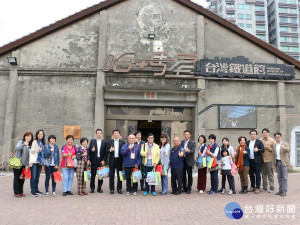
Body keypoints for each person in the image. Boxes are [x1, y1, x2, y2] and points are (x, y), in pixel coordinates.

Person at [13, 132, 33, 198]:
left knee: (22, 179)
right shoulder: (21, 141)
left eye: (29, 136)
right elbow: (17, 148)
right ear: (24, 137)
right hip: (18, 163)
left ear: (31, 138)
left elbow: (28, 156)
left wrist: (27, 164)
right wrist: (24, 144)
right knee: (16, 178)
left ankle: (21, 192)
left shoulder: (30, 145)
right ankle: (16, 192)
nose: (28, 138)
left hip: (24, 165)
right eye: (27, 136)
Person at [106, 129, 125, 194]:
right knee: (111, 175)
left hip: (119, 160)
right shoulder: (109, 142)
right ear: (113, 135)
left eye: (117, 133)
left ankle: (119, 189)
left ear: (119, 135)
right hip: (112, 160)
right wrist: (110, 150)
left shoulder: (122, 142)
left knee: (120, 175)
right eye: (115, 133)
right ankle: (112, 189)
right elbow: (106, 150)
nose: (116, 134)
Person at [88, 129, 107, 193]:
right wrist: (91, 150)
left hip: (101, 161)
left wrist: (104, 160)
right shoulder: (92, 141)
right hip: (94, 160)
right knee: (93, 175)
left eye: (100, 133)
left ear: (102, 134)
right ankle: (92, 188)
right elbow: (89, 150)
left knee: (101, 175)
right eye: (98, 133)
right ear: (96, 134)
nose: (99, 134)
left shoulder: (104, 142)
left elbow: (105, 152)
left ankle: (99, 188)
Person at [246, 129, 265, 194]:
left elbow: (263, 150)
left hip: (257, 161)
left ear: (256, 135)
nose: (253, 135)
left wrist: (258, 150)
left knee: (257, 174)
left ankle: (258, 187)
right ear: (250, 135)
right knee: (251, 174)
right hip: (250, 161)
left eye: (254, 134)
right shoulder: (248, 142)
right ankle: (252, 186)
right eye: (252, 134)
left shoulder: (259, 142)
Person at [272, 132, 290, 197]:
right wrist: (273, 164)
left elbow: (288, 150)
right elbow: (273, 155)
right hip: (277, 162)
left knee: (284, 177)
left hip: (284, 162)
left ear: (281, 137)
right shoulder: (274, 145)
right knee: (279, 177)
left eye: (278, 137)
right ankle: (280, 190)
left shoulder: (285, 143)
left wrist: (284, 148)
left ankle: (284, 191)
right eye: (276, 137)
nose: (277, 138)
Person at [29, 130, 45, 196]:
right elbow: (31, 150)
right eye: (39, 134)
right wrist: (37, 150)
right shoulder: (35, 141)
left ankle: (36, 190)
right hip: (34, 161)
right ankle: (32, 191)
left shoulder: (42, 142)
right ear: (37, 135)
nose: (40, 135)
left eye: (41, 134)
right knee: (33, 177)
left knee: (37, 177)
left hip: (40, 162)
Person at [260, 128, 276, 193]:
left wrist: (268, 148)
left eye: (266, 132)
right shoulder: (260, 141)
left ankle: (272, 187)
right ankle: (265, 187)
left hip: (269, 160)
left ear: (268, 133)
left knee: (270, 174)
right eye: (264, 132)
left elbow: (275, 150)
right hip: (262, 160)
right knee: (263, 174)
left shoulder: (272, 140)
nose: (265, 133)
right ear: (262, 133)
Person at [180, 130, 196, 194]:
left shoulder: (193, 142)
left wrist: (188, 151)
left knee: (189, 175)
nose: (186, 135)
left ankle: (189, 188)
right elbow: (181, 149)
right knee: (183, 175)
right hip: (182, 160)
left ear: (190, 135)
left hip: (189, 161)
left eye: (187, 134)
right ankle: (184, 187)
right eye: (185, 134)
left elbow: (193, 151)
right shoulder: (182, 142)